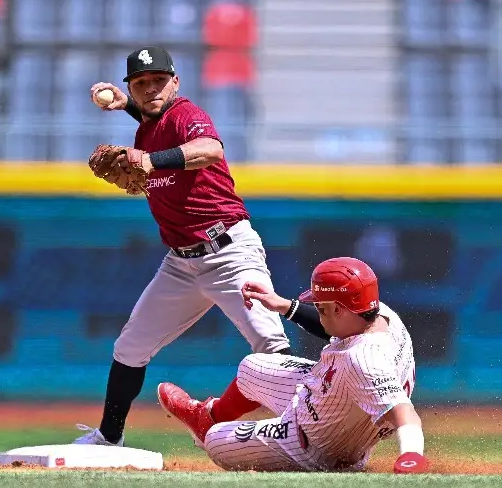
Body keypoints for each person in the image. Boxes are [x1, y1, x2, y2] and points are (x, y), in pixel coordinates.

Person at [74, 46, 291, 446]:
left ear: (176, 82)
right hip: (180, 263)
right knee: (130, 346)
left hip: (228, 251)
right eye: (141, 83)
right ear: (131, 89)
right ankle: (108, 438)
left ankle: (313, 430)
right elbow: (151, 117)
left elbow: (210, 150)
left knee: (271, 346)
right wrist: (127, 108)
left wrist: (154, 162)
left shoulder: (187, 114)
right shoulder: (148, 125)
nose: (151, 87)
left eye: (159, 79)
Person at [157, 257, 429, 474]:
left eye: (322, 308)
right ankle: (207, 417)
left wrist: (412, 456)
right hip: (336, 400)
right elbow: (336, 326)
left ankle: (228, 433)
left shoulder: (365, 360)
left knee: (216, 440)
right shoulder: (379, 314)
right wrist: (285, 306)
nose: (320, 314)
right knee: (252, 367)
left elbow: (404, 412)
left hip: (314, 444)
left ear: (340, 309)